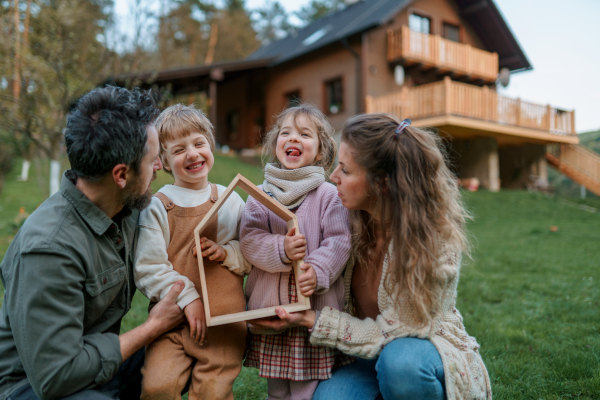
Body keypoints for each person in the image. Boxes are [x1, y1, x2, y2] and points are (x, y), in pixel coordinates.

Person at [251, 114, 492, 399]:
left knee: (400, 364)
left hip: (418, 349)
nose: (333, 176)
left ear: (382, 183)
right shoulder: (349, 220)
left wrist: (312, 320)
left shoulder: (433, 242)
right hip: (359, 355)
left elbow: (391, 335)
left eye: (346, 170)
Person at [0, 86, 186, 400]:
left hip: (100, 365)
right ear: (121, 175)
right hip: (34, 385)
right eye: (153, 159)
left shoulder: (127, 208)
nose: (159, 167)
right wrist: (151, 328)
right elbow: (56, 376)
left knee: (192, 340)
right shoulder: (48, 248)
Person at [133, 104, 250, 400]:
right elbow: (149, 267)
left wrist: (226, 252)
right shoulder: (157, 206)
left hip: (223, 321)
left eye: (199, 143)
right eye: (179, 149)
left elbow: (251, 251)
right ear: (164, 161)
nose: (193, 154)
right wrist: (188, 297)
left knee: (213, 390)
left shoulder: (230, 199)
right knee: (157, 387)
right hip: (171, 321)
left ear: (210, 145)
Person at [240, 104, 353, 400]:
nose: (293, 138)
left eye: (304, 134)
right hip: (272, 311)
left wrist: (315, 271)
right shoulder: (259, 196)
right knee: (277, 390)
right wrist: (281, 249)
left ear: (319, 152)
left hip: (312, 313)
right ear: (276, 144)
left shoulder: (328, 194)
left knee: (305, 391)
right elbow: (250, 239)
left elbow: (339, 241)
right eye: (285, 133)